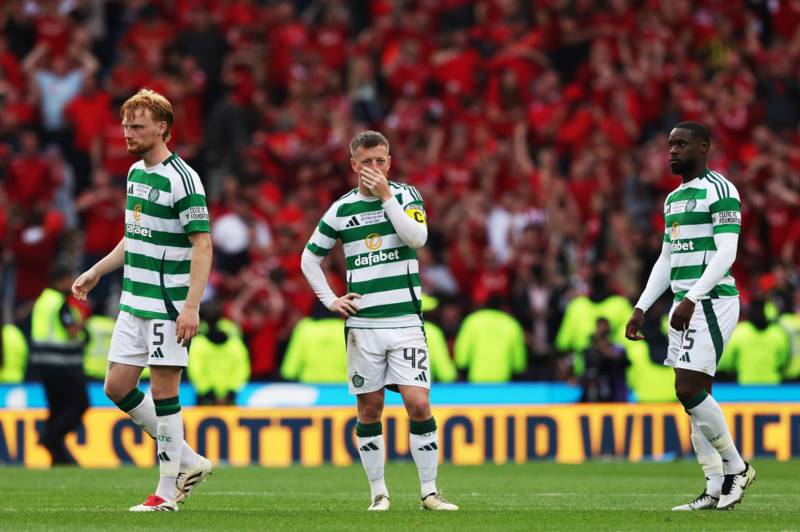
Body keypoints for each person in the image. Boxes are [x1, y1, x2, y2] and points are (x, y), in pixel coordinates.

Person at [71, 88, 213, 512]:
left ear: (162, 128)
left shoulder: (182, 179)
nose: (127, 133)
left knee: (165, 392)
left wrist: (191, 306)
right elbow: (135, 237)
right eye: (125, 126)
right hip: (134, 300)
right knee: (116, 386)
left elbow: (203, 245)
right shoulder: (135, 174)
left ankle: (166, 493)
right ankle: (189, 461)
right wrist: (98, 270)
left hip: (168, 306)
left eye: (137, 126)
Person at [301, 131, 458, 511]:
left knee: (418, 403)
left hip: (405, 322)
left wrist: (387, 197)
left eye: (381, 161)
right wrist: (330, 299)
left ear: (390, 162)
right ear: (353, 165)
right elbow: (309, 258)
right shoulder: (341, 210)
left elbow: (417, 239)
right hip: (363, 326)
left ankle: (429, 492)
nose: (374, 168)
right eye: (367, 162)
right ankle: (379, 493)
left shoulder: (406, 196)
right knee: (369, 409)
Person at [626, 121, 754, 511]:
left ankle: (737, 467)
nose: (672, 151)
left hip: (711, 301)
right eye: (670, 145)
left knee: (687, 388)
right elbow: (667, 258)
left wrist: (693, 297)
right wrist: (642, 306)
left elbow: (727, 252)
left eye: (681, 144)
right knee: (695, 398)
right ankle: (713, 486)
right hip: (685, 304)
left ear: (703, 147)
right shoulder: (673, 200)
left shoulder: (721, 190)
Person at [29, 264, 88, 464]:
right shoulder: (60, 303)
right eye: (69, 279)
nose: (71, 283)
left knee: (57, 408)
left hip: (43, 365)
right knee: (79, 404)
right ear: (61, 280)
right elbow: (71, 330)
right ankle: (49, 437)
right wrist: (83, 322)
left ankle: (57, 456)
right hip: (63, 365)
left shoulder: (43, 301)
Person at [188, 301, 250, 405]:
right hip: (229, 398)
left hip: (206, 399)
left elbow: (196, 370)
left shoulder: (198, 344)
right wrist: (231, 391)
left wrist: (209, 393)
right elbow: (242, 369)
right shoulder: (236, 343)